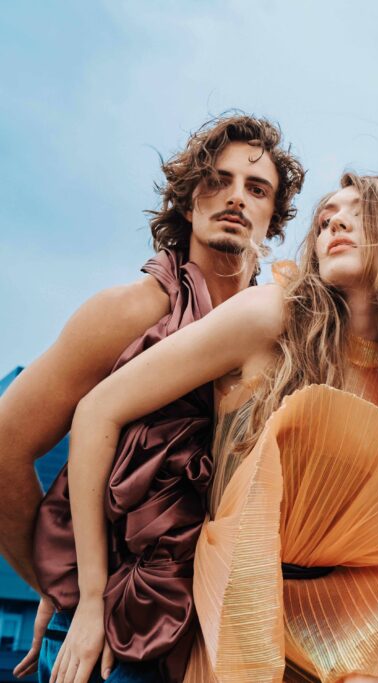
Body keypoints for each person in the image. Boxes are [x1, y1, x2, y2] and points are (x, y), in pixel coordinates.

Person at [55, 172, 378, 683]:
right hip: (220, 614)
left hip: (330, 637)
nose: (335, 221)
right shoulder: (272, 315)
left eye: (360, 211)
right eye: (324, 219)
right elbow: (98, 410)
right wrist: (90, 597)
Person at [4, 114, 305, 682]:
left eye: (256, 188)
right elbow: (5, 443)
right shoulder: (130, 312)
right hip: (112, 635)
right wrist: (65, 585)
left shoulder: (281, 338)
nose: (236, 198)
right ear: (188, 204)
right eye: (217, 181)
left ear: (274, 218)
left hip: (220, 638)